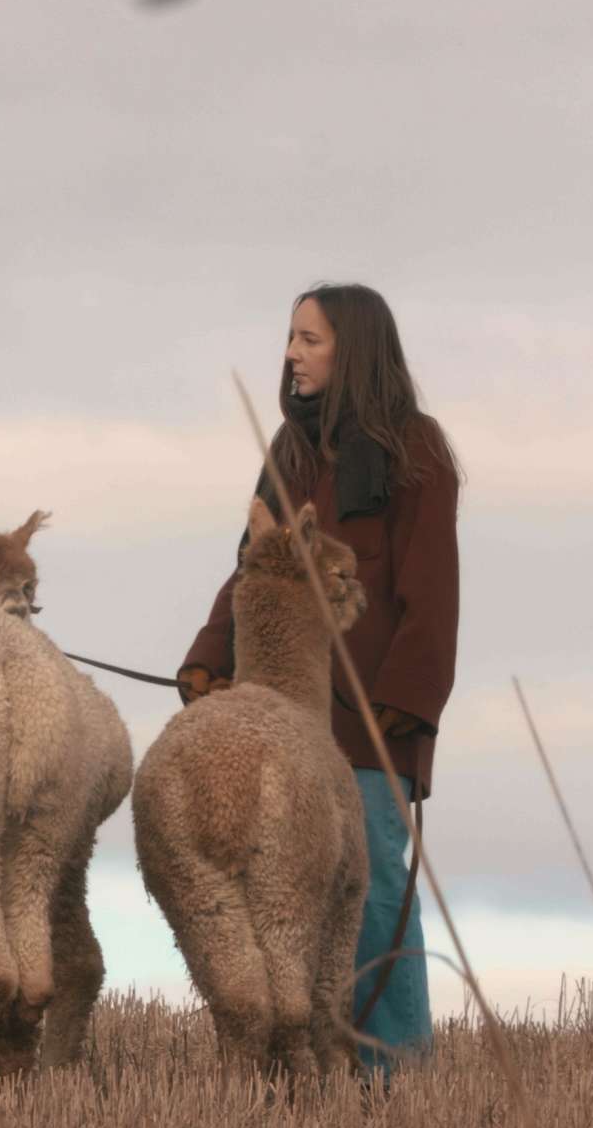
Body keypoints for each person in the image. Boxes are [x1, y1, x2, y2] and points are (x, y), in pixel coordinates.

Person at [177, 283, 460, 1074]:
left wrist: (399, 710)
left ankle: (396, 1075)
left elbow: (431, 598)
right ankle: (305, 1072)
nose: (292, 354)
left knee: (369, 896)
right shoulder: (288, 452)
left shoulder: (419, 450)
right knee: (279, 897)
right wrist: (209, 659)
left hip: (369, 728)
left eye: (310, 339)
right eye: (291, 338)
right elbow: (251, 571)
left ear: (354, 351)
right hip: (277, 718)